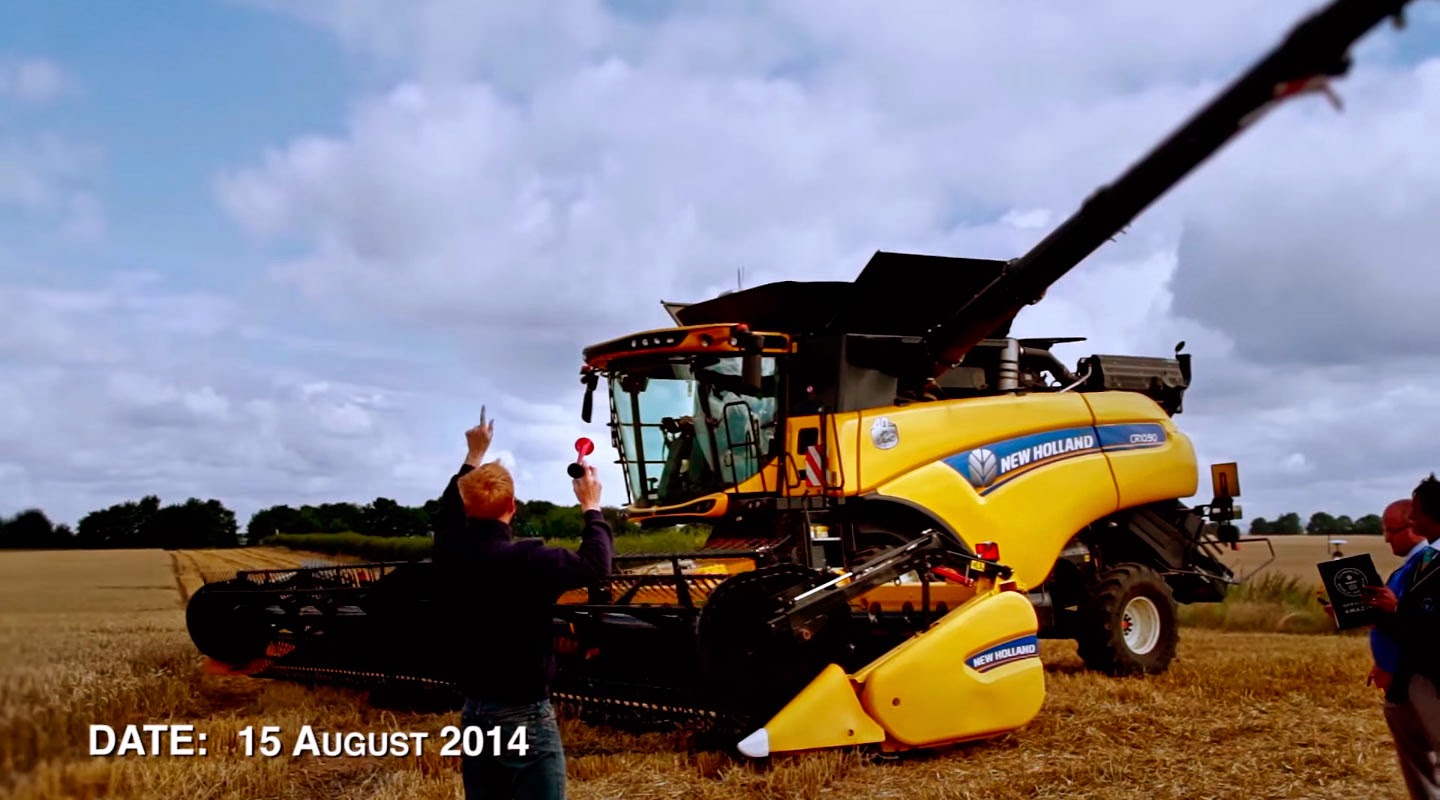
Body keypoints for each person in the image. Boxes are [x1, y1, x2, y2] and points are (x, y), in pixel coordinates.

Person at [433, 407, 613, 799]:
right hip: (524, 713)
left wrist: (474, 454)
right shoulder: (529, 560)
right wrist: (591, 505)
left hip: (474, 712)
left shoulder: (451, 550)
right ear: (512, 506)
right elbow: (597, 564)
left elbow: (447, 511)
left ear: (465, 507)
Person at [1366, 477, 1440, 799]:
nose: (1412, 517)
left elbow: (1429, 626)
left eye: (1417, 511)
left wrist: (1396, 610)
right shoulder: (1426, 561)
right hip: (1413, 678)